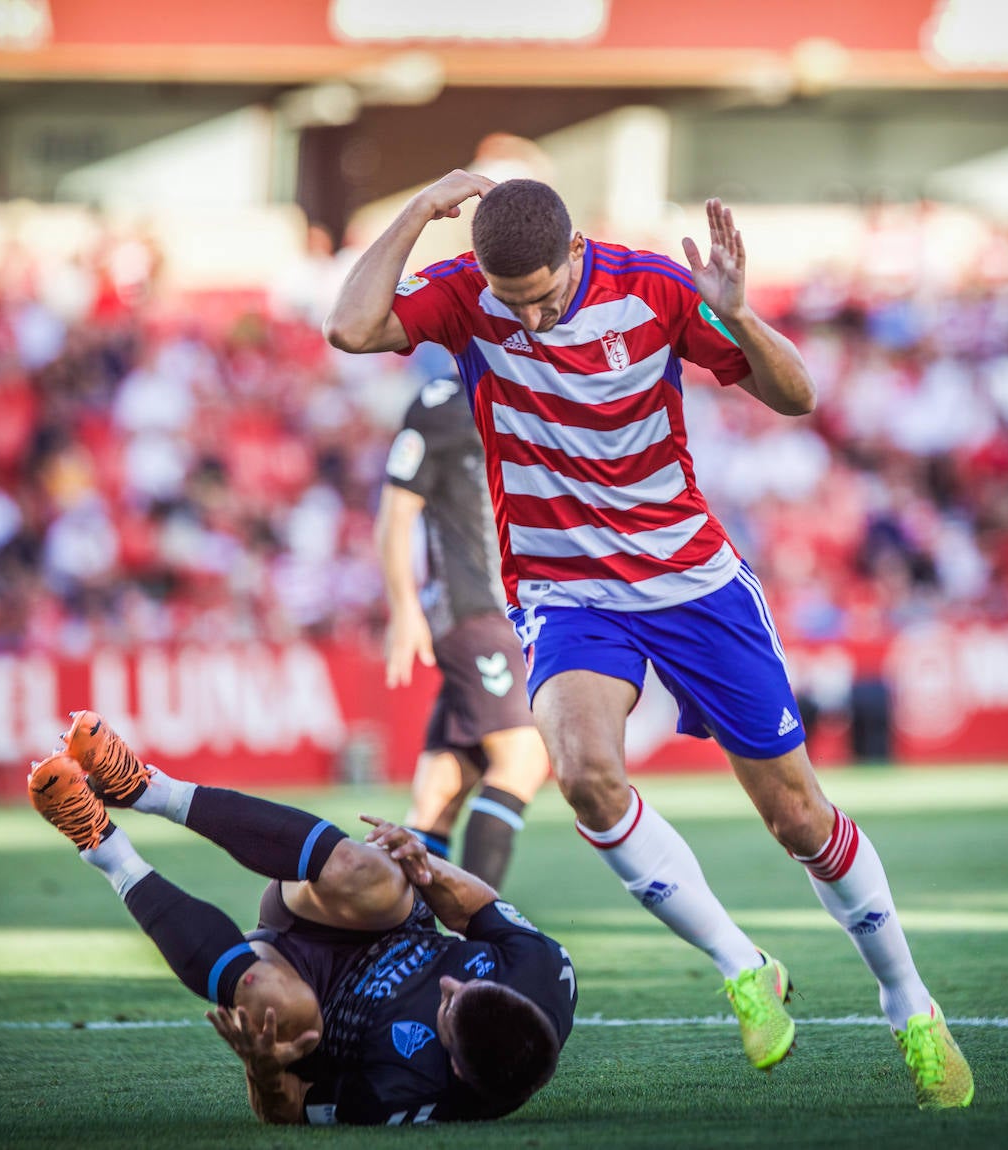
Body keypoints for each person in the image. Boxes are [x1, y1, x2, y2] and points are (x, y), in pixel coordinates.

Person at [323, 171, 973, 1109]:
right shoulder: (468, 298)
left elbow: (798, 396)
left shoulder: (651, 288)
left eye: (543, 296)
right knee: (583, 772)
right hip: (568, 593)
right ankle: (744, 966)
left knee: (797, 816)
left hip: (693, 582)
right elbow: (350, 327)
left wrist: (741, 318)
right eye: (514, 304)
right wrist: (420, 208)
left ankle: (909, 1001)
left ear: (575, 252)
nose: (533, 320)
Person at [27, 709, 576, 1126]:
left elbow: (286, 1110)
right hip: (373, 923)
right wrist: (421, 857)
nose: (451, 981)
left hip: (301, 983)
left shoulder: (406, 1096)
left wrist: (262, 1073)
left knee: (275, 1010)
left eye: (449, 1003)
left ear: (455, 1066)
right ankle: (150, 790)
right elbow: (477, 906)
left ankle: (103, 847)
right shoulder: (545, 972)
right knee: (376, 872)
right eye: (471, 983)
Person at [376, 373, 551, 887]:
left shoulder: (530, 384)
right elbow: (395, 512)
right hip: (475, 612)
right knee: (522, 756)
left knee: (439, 795)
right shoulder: (445, 402)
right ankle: (483, 926)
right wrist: (404, 607)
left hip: (511, 613)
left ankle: (400, 937)